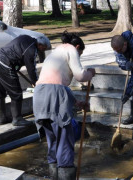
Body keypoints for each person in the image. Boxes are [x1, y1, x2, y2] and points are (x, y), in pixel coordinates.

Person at [33, 34, 95, 180]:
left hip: (39, 96)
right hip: (54, 95)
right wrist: (90, 73)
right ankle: (66, 174)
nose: (79, 56)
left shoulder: (55, 53)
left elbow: (57, 84)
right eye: (80, 54)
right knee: (65, 140)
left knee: (52, 140)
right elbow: (80, 76)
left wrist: (77, 103)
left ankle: (54, 176)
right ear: (78, 47)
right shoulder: (71, 49)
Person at [0, 35, 51, 126]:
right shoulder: (32, 50)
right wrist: (36, 83)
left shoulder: (26, 38)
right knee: (17, 93)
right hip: (5, 64)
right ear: (39, 45)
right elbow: (31, 70)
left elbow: (16, 52)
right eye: (44, 48)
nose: (43, 50)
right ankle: (17, 119)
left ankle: (2, 119)